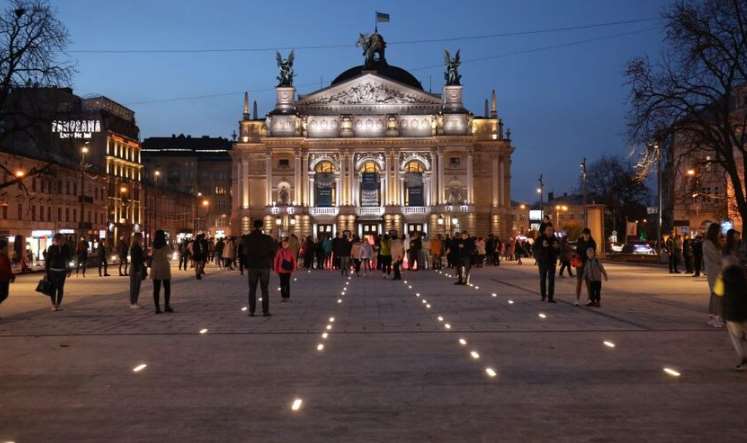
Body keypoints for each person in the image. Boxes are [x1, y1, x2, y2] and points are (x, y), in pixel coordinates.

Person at [716, 263, 747, 370]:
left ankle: (743, 359)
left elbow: (718, 293)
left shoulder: (722, 277)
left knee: (735, 338)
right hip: (745, 312)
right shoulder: (743, 276)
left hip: (731, 314)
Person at [241, 220, 276, 316]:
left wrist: (245, 264)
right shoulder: (268, 238)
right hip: (264, 266)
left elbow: (244, 253)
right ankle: (265, 311)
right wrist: (269, 261)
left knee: (252, 289)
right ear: (261, 227)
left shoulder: (247, 238)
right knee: (264, 289)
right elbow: (273, 252)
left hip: (252, 266)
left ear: (253, 226)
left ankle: (251, 311)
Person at [703, 223, 724, 328]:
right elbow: (716, 258)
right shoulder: (707, 243)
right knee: (717, 295)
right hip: (713, 272)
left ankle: (712, 316)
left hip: (719, 272)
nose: (720, 233)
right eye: (719, 231)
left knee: (715, 294)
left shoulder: (716, 243)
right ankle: (716, 317)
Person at [45, 234, 72, 311]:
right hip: (52, 271)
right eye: (59, 240)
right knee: (53, 288)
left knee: (60, 288)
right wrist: (46, 272)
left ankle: (58, 304)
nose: (61, 241)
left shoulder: (66, 247)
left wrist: (69, 270)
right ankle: (53, 304)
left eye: (62, 240)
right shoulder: (51, 248)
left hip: (62, 271)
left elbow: (69, 259)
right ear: (56, 240)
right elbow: (47, 260)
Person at [534, 225, 560, 303]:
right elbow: (535, 249)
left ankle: (550, 297)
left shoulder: (555, 240)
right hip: (542, 262)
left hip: (552, 262)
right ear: (545, 231)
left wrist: (557, 248)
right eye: (548, 230)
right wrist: (542, 247)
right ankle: (543, 295)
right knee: (542, 279)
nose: (550, 232)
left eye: (551, 230)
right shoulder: (540, 239)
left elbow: (559, 251)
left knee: (551, 280)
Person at [150, 230, 173, 314]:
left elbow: (151, 255)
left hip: (155, 268)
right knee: (167, 288)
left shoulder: (153, 245)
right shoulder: (166, 246)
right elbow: (169, 257)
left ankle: (157, 307)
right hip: (164, 267)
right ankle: (166, 305)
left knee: (156, 289)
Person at [575, 228, 597, 306]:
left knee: (588, 282)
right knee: (579, 281)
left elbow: (593, 255)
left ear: (589, 235)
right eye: (584, 234)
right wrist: (577, 257)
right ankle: (577, 299)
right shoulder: (580, 241)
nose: (586, 236)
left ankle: (589, 299)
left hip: (588, 264)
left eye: (587, 235)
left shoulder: (592, 243)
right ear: (582, 234)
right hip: (580, 264)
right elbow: (577, 251)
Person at [274, 237, 297, 302]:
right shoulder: (279, 251)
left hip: (288, 270)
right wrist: (276, 269)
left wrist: (294, 268)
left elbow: (293, 260)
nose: (284, 245)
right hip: (281, 270)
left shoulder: (290, 251)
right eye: (283, 244)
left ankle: (287, 296)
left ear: (288, 244)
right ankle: (283, 296)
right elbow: (276, 260)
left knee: (287, 283)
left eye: (286, 244)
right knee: (282, 283)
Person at [128, 233, 146, 309]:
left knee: (136, 286)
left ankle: (135, 302)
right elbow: (135, 259)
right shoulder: (136, 247)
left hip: (136, 267)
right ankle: (133, 303)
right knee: (134, 286)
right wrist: (138, 270)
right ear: (138, 238)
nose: (142, 239)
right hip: (136, 268)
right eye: (141, 237)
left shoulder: (136, 247)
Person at [0, 239, 15, 318]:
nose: (7, 248)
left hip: (4, 278)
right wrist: (12, 276)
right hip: (3, 279)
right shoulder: (3, 257)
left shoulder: (4, 256)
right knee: (3, 294)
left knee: (3, 295)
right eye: (6, 247)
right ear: (3, 247)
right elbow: (5, 268)